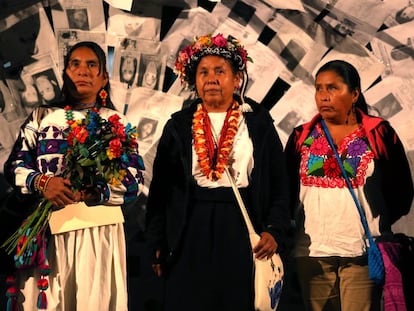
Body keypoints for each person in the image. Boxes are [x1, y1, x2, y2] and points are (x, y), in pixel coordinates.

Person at [145, 33, 291, 311]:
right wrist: (158, 241)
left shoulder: (258, 123)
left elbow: (279, 184)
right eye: (203, 72)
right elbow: (161, 191)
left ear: (237, 79)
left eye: (220, 71)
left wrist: (274, 230)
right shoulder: (178, 126)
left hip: (242, 225)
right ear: (193, 80)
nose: (211, 78)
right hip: (190, 226)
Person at [3, 41, 145, 310]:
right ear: (65, 74)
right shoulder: (42, 117)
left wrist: (95, 191)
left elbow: (134, 181)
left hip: (98, 234)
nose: (82, 71)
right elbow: (15, 166)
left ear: (104, 77)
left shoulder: (118, 123)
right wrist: (43, 182)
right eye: (75, 64)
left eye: (92, 65)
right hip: (47, 231)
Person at [284, 59, 414, 311]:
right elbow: (286, 192)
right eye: (319, 88)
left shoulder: (378, 134)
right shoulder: (302, 137)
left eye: (333, 88)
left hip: (361, 253)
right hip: (311, 254)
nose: (323, 96)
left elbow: (401, 192)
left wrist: (377, 223)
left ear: (354, 94)